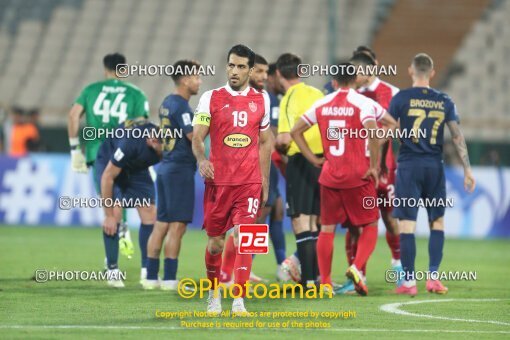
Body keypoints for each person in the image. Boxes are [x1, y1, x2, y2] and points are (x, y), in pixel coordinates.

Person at [291, 62, 397, 296]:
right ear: (356, 80)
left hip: (330, 175)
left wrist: (312, 158)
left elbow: (295, 131)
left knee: (327, 228)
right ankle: (357, 267)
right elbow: (387, 126)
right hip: (359, 176)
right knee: (370, 224)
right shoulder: (364, 103)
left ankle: (326, 282)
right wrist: (374, 164)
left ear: (335, 81)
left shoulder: (322, 103)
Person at [192, 44, 272, 313]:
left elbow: (264, 143)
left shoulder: (262, 100)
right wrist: (202, 160)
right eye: (231, 65)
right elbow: (197, 137)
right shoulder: (210, 97)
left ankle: (239, 300)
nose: (234, 71)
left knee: (246, 236)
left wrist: (264, 182)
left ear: (250, 70)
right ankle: (214, 294)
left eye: (240, 66)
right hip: (218, 183)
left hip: (248, 183)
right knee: (215, 243)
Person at [389, 53, 476, 296]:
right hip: (434, 168)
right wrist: (467, 169)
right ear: (432, 73)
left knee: (407, 225)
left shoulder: (401, 98)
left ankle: (408, 282)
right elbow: (457, 136)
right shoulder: (444, 100)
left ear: (410, 71)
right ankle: (433, 278)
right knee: (437, 222)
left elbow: (385, 129)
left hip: (408, 167)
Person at [67, 53, 150, 280]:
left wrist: (75, 149)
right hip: (126, 153)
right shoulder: (135, 93)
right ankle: (142, 265)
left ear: (105, 69)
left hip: (99, 153)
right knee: (137, 206)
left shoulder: (91, 90)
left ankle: (112, 265)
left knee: (109, 205)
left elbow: (73, 116)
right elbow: (142, 125)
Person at [335, 50, 402, 295]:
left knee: (390, 220)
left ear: (370, 69)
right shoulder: (348, 94)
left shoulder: (391, 92)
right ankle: (356, 276)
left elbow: (396, 127)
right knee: (355, 224)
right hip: (357, 170)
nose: (354, 74)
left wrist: (375, 140)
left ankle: (398, 268)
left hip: (385, 169)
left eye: (358, 70)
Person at [219, 56, 289, 284]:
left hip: (265, 166)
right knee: (251, 221)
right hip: (248, 169)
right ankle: (228, 273)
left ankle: (241, 271)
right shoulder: (242, 98)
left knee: (269, 214)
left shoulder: (265, 98)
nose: (263, 76)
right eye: (258, 71)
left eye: (265, 72)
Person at [143, 60, 202, 290]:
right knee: (178, 226)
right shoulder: (182, 108)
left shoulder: (167, 102)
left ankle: (150, 278)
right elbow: (192, 136)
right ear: (185, 80)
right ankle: (169, 279)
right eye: (196, 77)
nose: (199, 81)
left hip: (166, 168)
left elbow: (161, 134)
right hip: (179, 170)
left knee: (161, 223)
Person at [275, 53, 324, 288]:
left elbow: (284, 139)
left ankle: (307, 282)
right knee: (315, 222)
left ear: (278, 74)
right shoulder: (317, 93)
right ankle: (315, 277)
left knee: (300, 222)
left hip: (301, 161)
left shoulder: (288, 98)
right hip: (323, 162)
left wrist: (274, 146)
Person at [95, 118, 161, 287]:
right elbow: (108, 177)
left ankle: (148, 271)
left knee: (150, 213)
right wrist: (108, 215)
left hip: (137, 167)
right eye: (164, 147)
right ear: (152, 142)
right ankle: (112, 269)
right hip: (112, 164)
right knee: (115, 215)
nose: (168, 150)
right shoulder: (131, 142)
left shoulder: (167, 141)